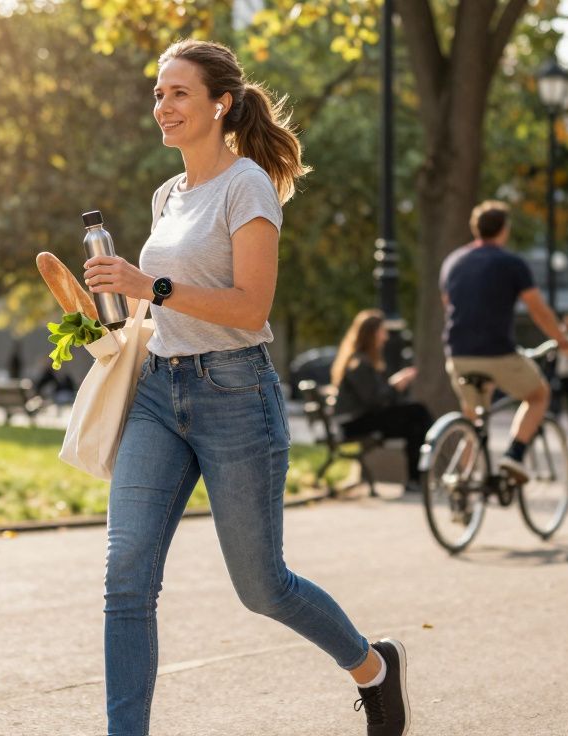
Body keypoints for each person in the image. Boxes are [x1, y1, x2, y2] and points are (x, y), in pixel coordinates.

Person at [82, 39, 409, 736]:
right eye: (158, 95)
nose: (163, 107)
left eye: (178, 94)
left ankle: (372, 666)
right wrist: (113, 305)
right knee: (125, 576)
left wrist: (150, 285)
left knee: (263, 587)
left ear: (220, 103)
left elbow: (249, 307)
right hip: (157, 393)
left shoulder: (248, 185)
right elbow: (162, 303)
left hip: (234, 395)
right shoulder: (167, 194)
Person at [440, 200, 568, 483]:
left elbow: (448, 304)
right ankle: (514, 455)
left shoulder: (453, 262)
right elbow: (538, 309)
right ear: (504, 229)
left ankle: (462, 482)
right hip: (497, 352)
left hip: (458, 353)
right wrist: (562, 339)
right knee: (539, 395)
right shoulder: (511, 263)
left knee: (472, 418)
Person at [331, 309, 433, 493]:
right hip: (354, 424)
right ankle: (420, 472)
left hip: (360, 420)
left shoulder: (361, 360)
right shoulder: (358, 363)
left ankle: (416, 479)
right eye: (382, 331)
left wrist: (394, 386)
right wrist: (395, 385)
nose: (385, 337)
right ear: (371, 334)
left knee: (415, 424)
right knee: (418, 413)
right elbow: (374, 401)